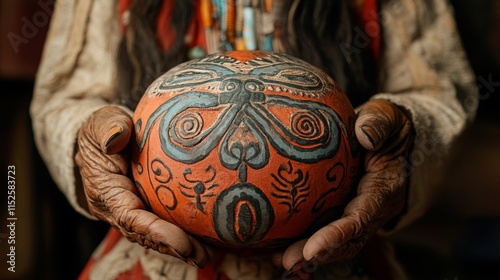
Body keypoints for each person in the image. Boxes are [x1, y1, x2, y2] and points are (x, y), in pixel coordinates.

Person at [30, 0, 477, 279]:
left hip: (344, 255)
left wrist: (406, 133)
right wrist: (86, 143)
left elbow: (437, 89)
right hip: (150, 262)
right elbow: (65, 93)